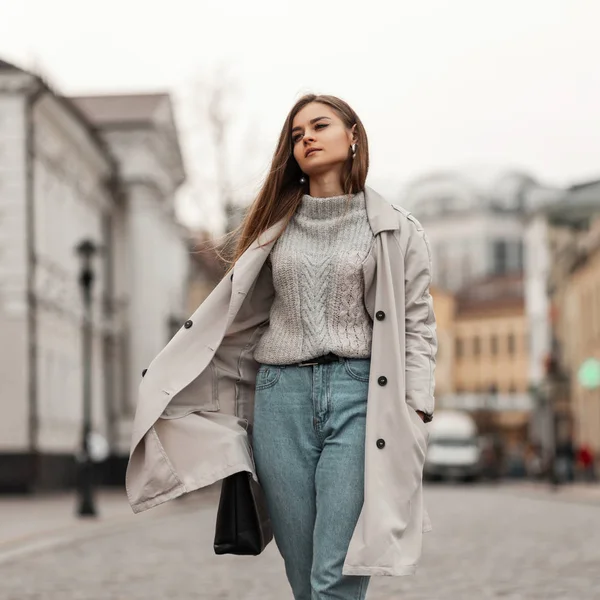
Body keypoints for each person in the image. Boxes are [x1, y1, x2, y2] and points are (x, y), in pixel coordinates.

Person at [125, 94, 437, 600]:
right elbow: (237, 318)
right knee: (302, 570)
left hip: (361, 398)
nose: (307, 138)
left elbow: (418, 322)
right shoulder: (274, 228)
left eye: (320, 126)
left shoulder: (396, 229)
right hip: (280, 398)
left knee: (336, 571)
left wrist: (417, 404)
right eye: (297, 135)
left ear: (352, 135)